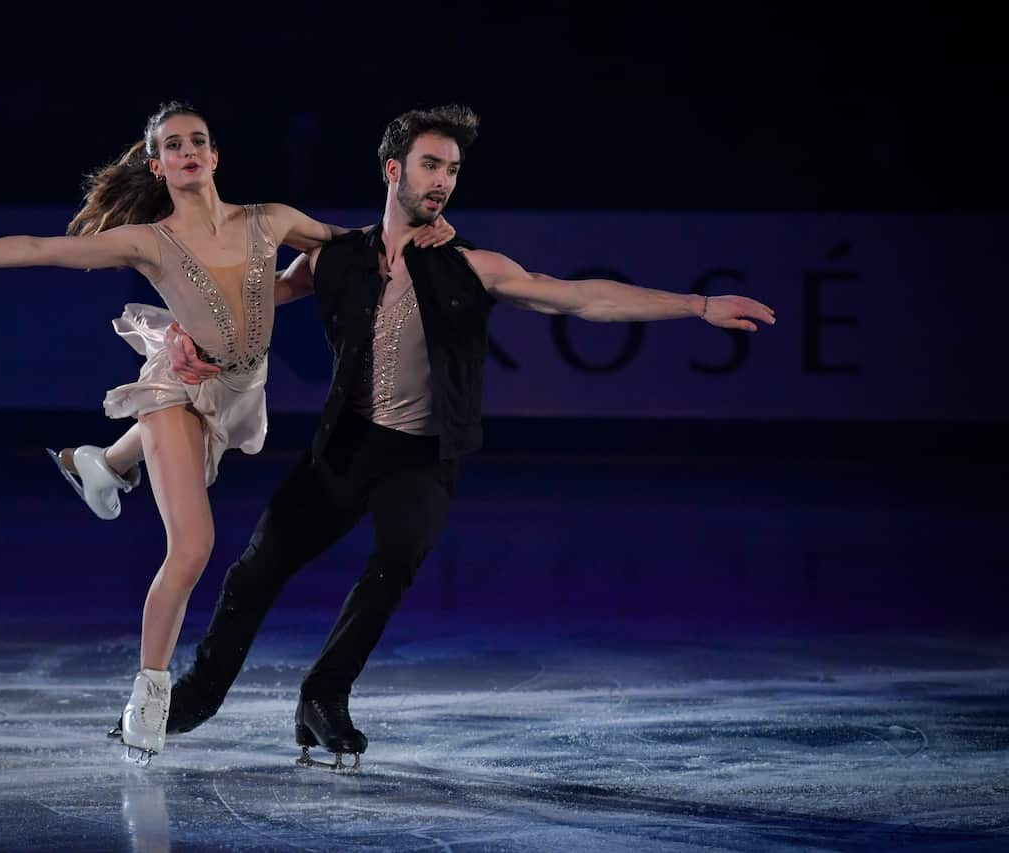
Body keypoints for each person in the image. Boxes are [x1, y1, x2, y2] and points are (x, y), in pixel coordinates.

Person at [156, 104, 776, 770]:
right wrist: (182, 338)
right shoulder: (335, 259)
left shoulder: (471, 265)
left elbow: (577, 297)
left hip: (422, 453)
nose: (443, 181)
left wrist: (699, 305)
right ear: (393, 169)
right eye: (430, 164)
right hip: (347, 443)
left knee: (397, 556)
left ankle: (323, 696)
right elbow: (244, 305)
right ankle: (197, 694)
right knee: (257, 567)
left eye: (452, 169)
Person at [0, 101, 453, 765]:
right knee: (194, 544)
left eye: (198, 140)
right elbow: (39, 249)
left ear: (216, 155)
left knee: (176, 463)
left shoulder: (271, 220)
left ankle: (105, 462)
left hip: (236, 390)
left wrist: (432, 225)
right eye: (173, 146)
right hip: (177, 385)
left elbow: (364, 248)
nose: (189, 152)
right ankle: (148, 693)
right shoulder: (149, 240)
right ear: (157, 165)